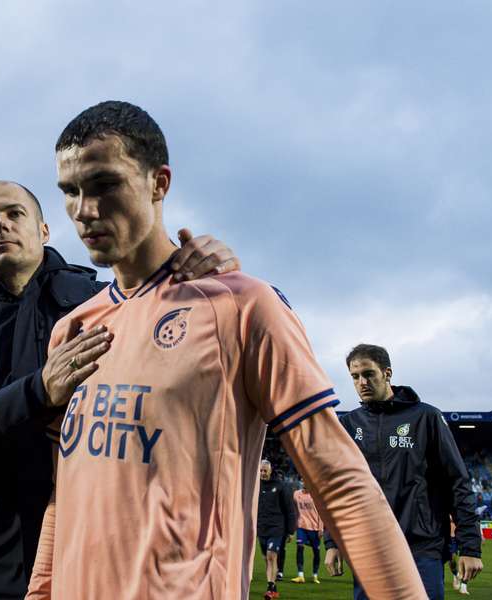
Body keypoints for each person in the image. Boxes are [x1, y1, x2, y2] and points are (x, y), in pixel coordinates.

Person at [26, 100, 426, 600]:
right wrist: (41, 589)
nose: (84, 211)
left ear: (159, 183)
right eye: (70, 192)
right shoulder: (72, 329)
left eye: (105, 184)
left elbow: (340, 480)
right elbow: (69, 488)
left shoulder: (242, 307)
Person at [0, 180, 239, 599]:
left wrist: (216, 274)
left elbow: (187, 355)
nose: (1, 225)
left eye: (14, 214)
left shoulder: (103, 299)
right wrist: (39, 390)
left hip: (95, 534)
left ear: (44, 231)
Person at [324, 343, 483, 600]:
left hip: (421, 546)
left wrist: (470, 547)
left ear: (387, 373)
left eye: (369, 374)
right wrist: (332, 542)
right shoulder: (348, 424)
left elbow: (457, 481)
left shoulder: (426, 417)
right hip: (369, 546)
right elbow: (337, 490)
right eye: (355, 377)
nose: (362, 382)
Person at [256, 460, 296, 598]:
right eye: (261, 471)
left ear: (271, 470)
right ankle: (273, 586)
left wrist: (291, 530)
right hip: (261, 528)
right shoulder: (256, 485)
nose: (262, 473)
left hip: (277, 527)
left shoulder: (281, 486)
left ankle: (270, 587)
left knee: (271, 555)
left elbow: (290, 509)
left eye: (265, 471)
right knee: (266, 559)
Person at [291, 482, 322, 584]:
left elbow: (321, 513)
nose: (305, 482)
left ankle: (315, 575)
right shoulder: (296, 494)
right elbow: (292, 506)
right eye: (303, 480)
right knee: (300, 547)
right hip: (301, 527)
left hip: (314, 528)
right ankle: (300, 575)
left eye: (306, 480)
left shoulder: (316, 496)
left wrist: (321, 528)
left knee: (316, 552)